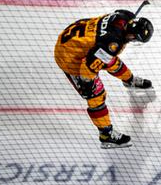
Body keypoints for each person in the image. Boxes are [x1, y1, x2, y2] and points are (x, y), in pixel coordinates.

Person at [53, 9, 153, 147]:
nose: (133, 40)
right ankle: (106, 134)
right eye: (135, 38)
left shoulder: (125, 16)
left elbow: (105, 49)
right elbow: (88, 67)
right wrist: (87, 84)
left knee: (110, 60)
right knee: (96, 95)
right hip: (69, 57)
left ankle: (129, 80)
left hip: (73, 39)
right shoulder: (112, 43)